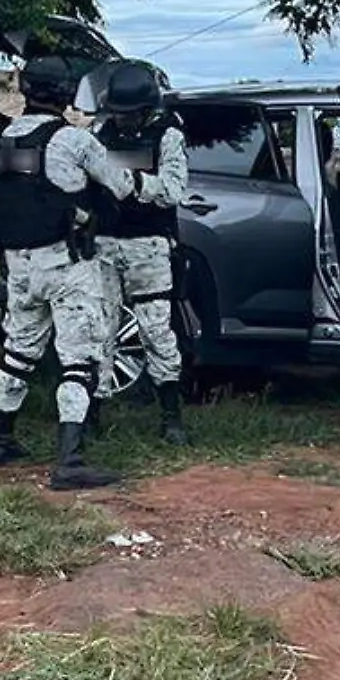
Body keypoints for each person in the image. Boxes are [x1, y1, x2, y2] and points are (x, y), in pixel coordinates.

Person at [0, 54, 161, 491]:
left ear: (25, 88)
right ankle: (69, 461)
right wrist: (154, 187)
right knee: (80, 359)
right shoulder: (72, 140)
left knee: (19, 352)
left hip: (18, 268)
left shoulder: (1, 144)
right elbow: (121, 185)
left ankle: (0, 441)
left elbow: (15, 198)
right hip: (67, 264)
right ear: (66, 94)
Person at [83, 59, 191, 446]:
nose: (122, 121)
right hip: (106, 243)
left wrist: (127, 182)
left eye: (129, 115)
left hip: (149, 245)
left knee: (157, 330)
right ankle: (90, 417)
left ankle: (171, 419)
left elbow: (173, 190)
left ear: (147, 110)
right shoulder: (100, 132)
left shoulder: (168, 136)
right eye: (118, 114)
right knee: (100, 330)